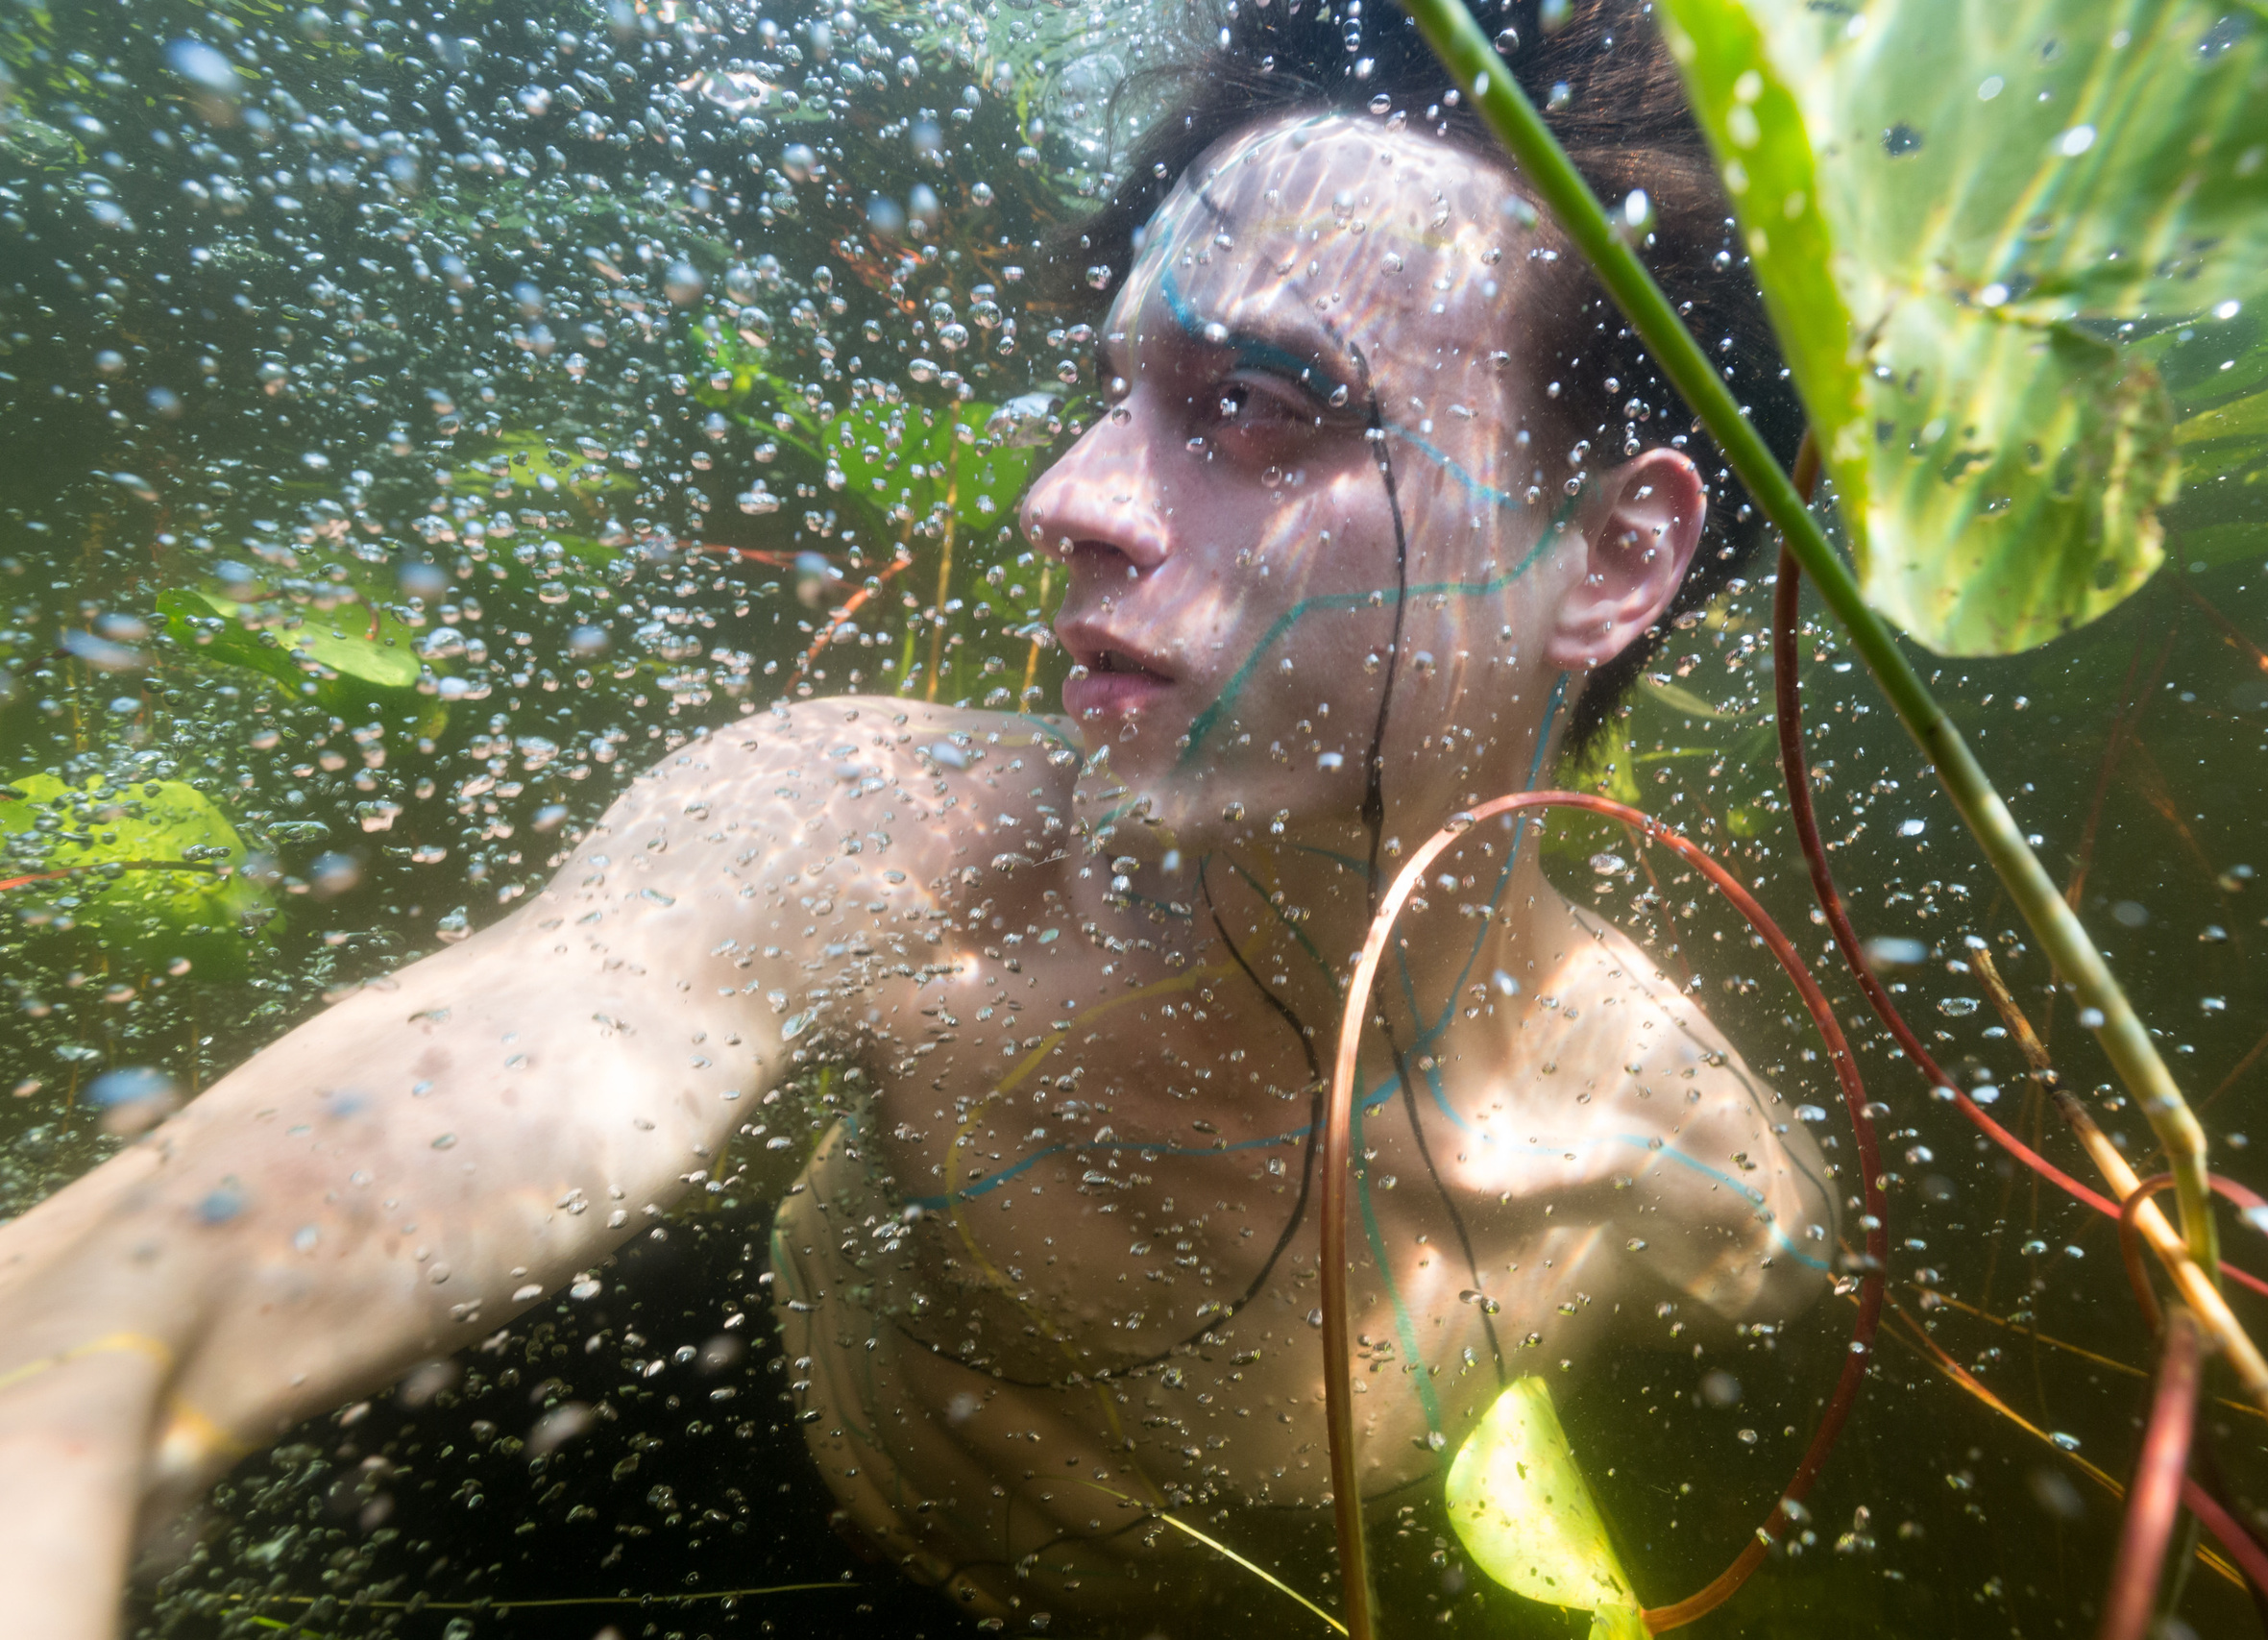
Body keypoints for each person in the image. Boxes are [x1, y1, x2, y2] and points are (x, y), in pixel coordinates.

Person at [0, 0, 1835, 1632]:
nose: (1070, 495)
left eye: (1258, 407)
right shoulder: (885, 838)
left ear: (1613, 555)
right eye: (1122, 392)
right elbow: (500, 1051)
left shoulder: (1699, 1184)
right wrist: (70, 1388)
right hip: (727, 1461)